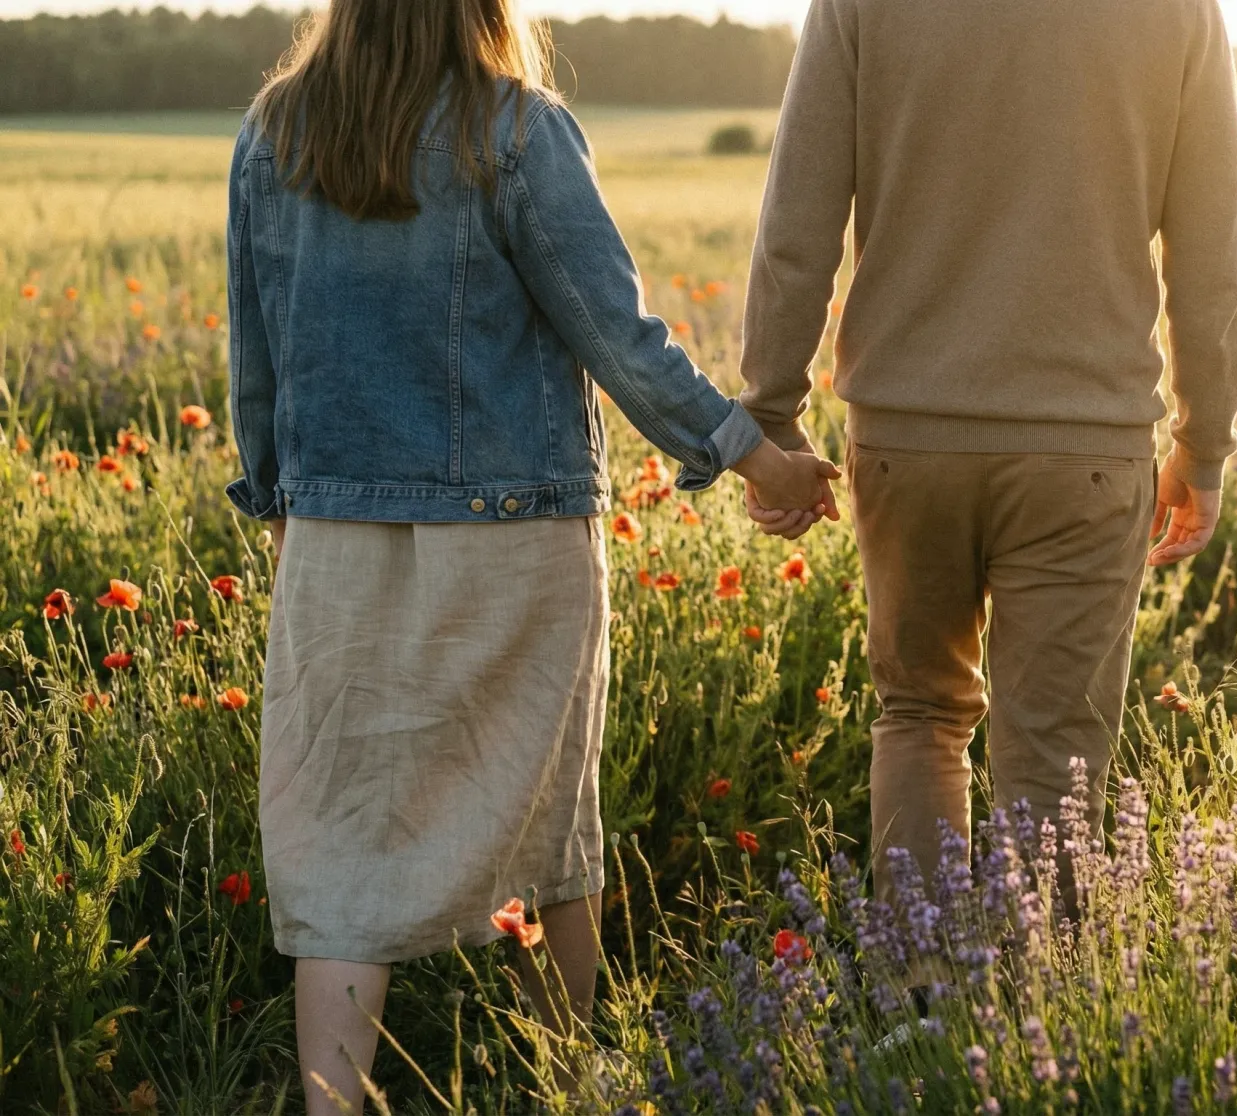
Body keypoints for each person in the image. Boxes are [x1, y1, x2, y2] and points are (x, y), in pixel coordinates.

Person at [225, 0, 837, 1109]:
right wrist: (756, 455)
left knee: (343, 843)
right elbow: (615, 332)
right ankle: (560, 1082)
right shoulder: (512, 128)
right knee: (546, 817)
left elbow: (255, 358)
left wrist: (284, 510)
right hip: (516, 540)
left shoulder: (275, 130)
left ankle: (331, 1105)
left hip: (334, 541)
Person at [739, 0, 1237, 899]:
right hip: (1086, 443)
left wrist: (773, 412)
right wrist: (1202, 440)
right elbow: (1212, 248)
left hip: (907, 438)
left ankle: (924, 1002)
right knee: (1056, 754)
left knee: (918, 717)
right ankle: (1039, 1021)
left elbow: (799, 217)